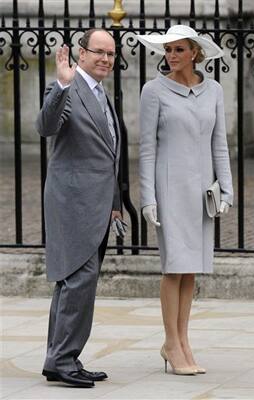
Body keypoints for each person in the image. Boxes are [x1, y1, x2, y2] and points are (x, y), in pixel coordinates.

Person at [137, 25, 233, 375]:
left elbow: (219, 144)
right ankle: (171, 341)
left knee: (191, 267)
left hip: (200, 191)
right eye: (168, 50)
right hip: (169, 189)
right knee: (173, 266)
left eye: (179, 50)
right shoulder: (153, 91)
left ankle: (181, 340)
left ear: (195, 53)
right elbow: (146, 149)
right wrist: (147, 198)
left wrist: (227, 189)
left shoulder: (214, 91)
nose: (172, 56)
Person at [36, 28, 124, 388]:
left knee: (75, 282)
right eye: (99, 52)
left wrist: (116, 204)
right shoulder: (67, 86)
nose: (105, 59)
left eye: (111, 54)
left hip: (98, 204)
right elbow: (46, 126)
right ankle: (63, 359)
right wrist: (61, 86)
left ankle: (61, 357)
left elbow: (109, 154)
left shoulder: (100, 93)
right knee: (78, 279)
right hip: (73, 202)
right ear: (80, 53)